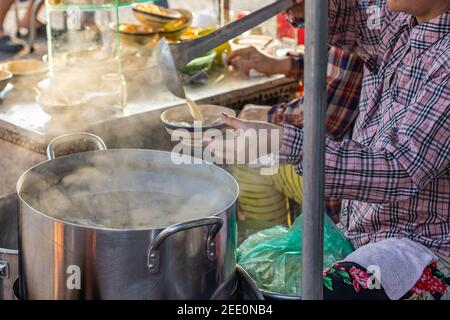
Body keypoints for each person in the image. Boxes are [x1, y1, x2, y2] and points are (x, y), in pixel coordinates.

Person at [211, 0, 450, 300]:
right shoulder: (398, 23)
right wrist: (308, 6)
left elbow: (399, 167)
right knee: (249, 283)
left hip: (422, 248)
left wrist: (282, 142)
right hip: (363, 230)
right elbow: (352, 17)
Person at [227, 45, 364, 237]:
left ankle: (270, 256)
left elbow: (325, 118)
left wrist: (270, 117)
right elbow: (335, 62)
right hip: (354, 166)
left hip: (353, 190)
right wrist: (283, 64)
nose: (289, 16)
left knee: (250, 161)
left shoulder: (367, 20)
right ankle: (279, 248)